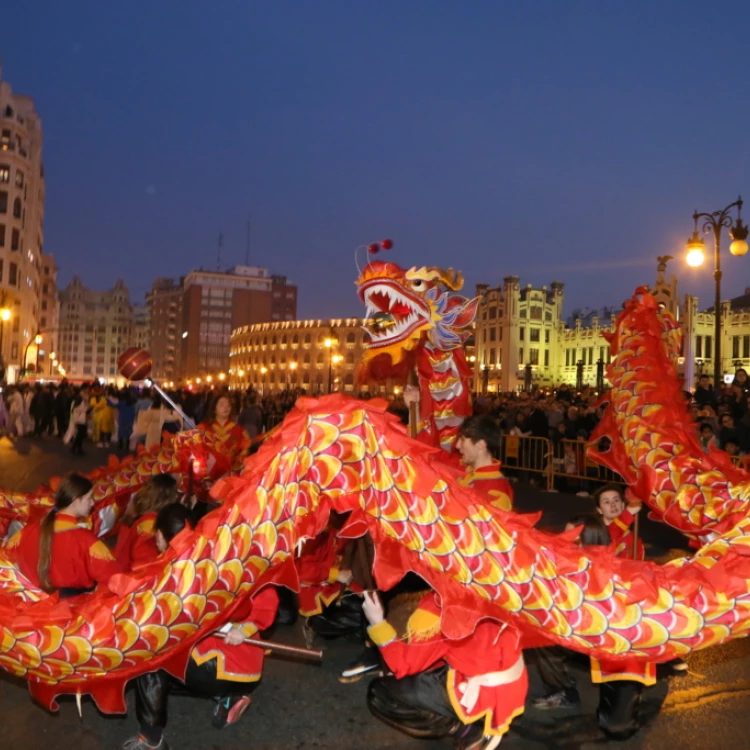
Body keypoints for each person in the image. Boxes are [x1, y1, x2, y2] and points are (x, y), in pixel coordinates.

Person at [124, 503, 278, 750]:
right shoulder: (191, 560)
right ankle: (227, 698)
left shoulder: (214, 562)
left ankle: (151, 740)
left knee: (150, 662)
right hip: (232, 666)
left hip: (231, 662)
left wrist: (246, 629)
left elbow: (266, 597)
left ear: (161, 536)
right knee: (163, 671)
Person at [364, 588, 527, 750]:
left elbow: (404, 665)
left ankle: (469, 730)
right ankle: (478, 723)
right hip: (512, 686)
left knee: (379, 693)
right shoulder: (497, 590)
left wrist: (377, 622)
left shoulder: (440, 603)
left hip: (481, 694)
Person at [6, 473, 123, 596]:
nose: (93, 503)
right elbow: (116, 579)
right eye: (89, 498)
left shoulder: (27, 532)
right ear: (76, 500)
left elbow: (8, 560)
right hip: (73, 608)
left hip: (34, 600)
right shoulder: (87, 542)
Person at [114, 474, 179, 569]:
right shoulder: (150, 525)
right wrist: (165, 551)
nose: (177, 496)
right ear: (166, 499)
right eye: (175, 493)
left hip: (120, 563)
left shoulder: (137, 510)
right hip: (129, 574)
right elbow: (145, 562)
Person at [456, 416, 513, 512]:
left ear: (480, 445)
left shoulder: (496, 492)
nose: (457, 445)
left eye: (462, 439)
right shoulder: (468, 470)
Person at [593, 484, 644, 560]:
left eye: (616, 500)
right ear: (599, 510)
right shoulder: (593, 530)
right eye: (607, 502)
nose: (613, 505)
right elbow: (610, 536)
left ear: (623, 505)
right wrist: (628, 513)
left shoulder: (631, 535)